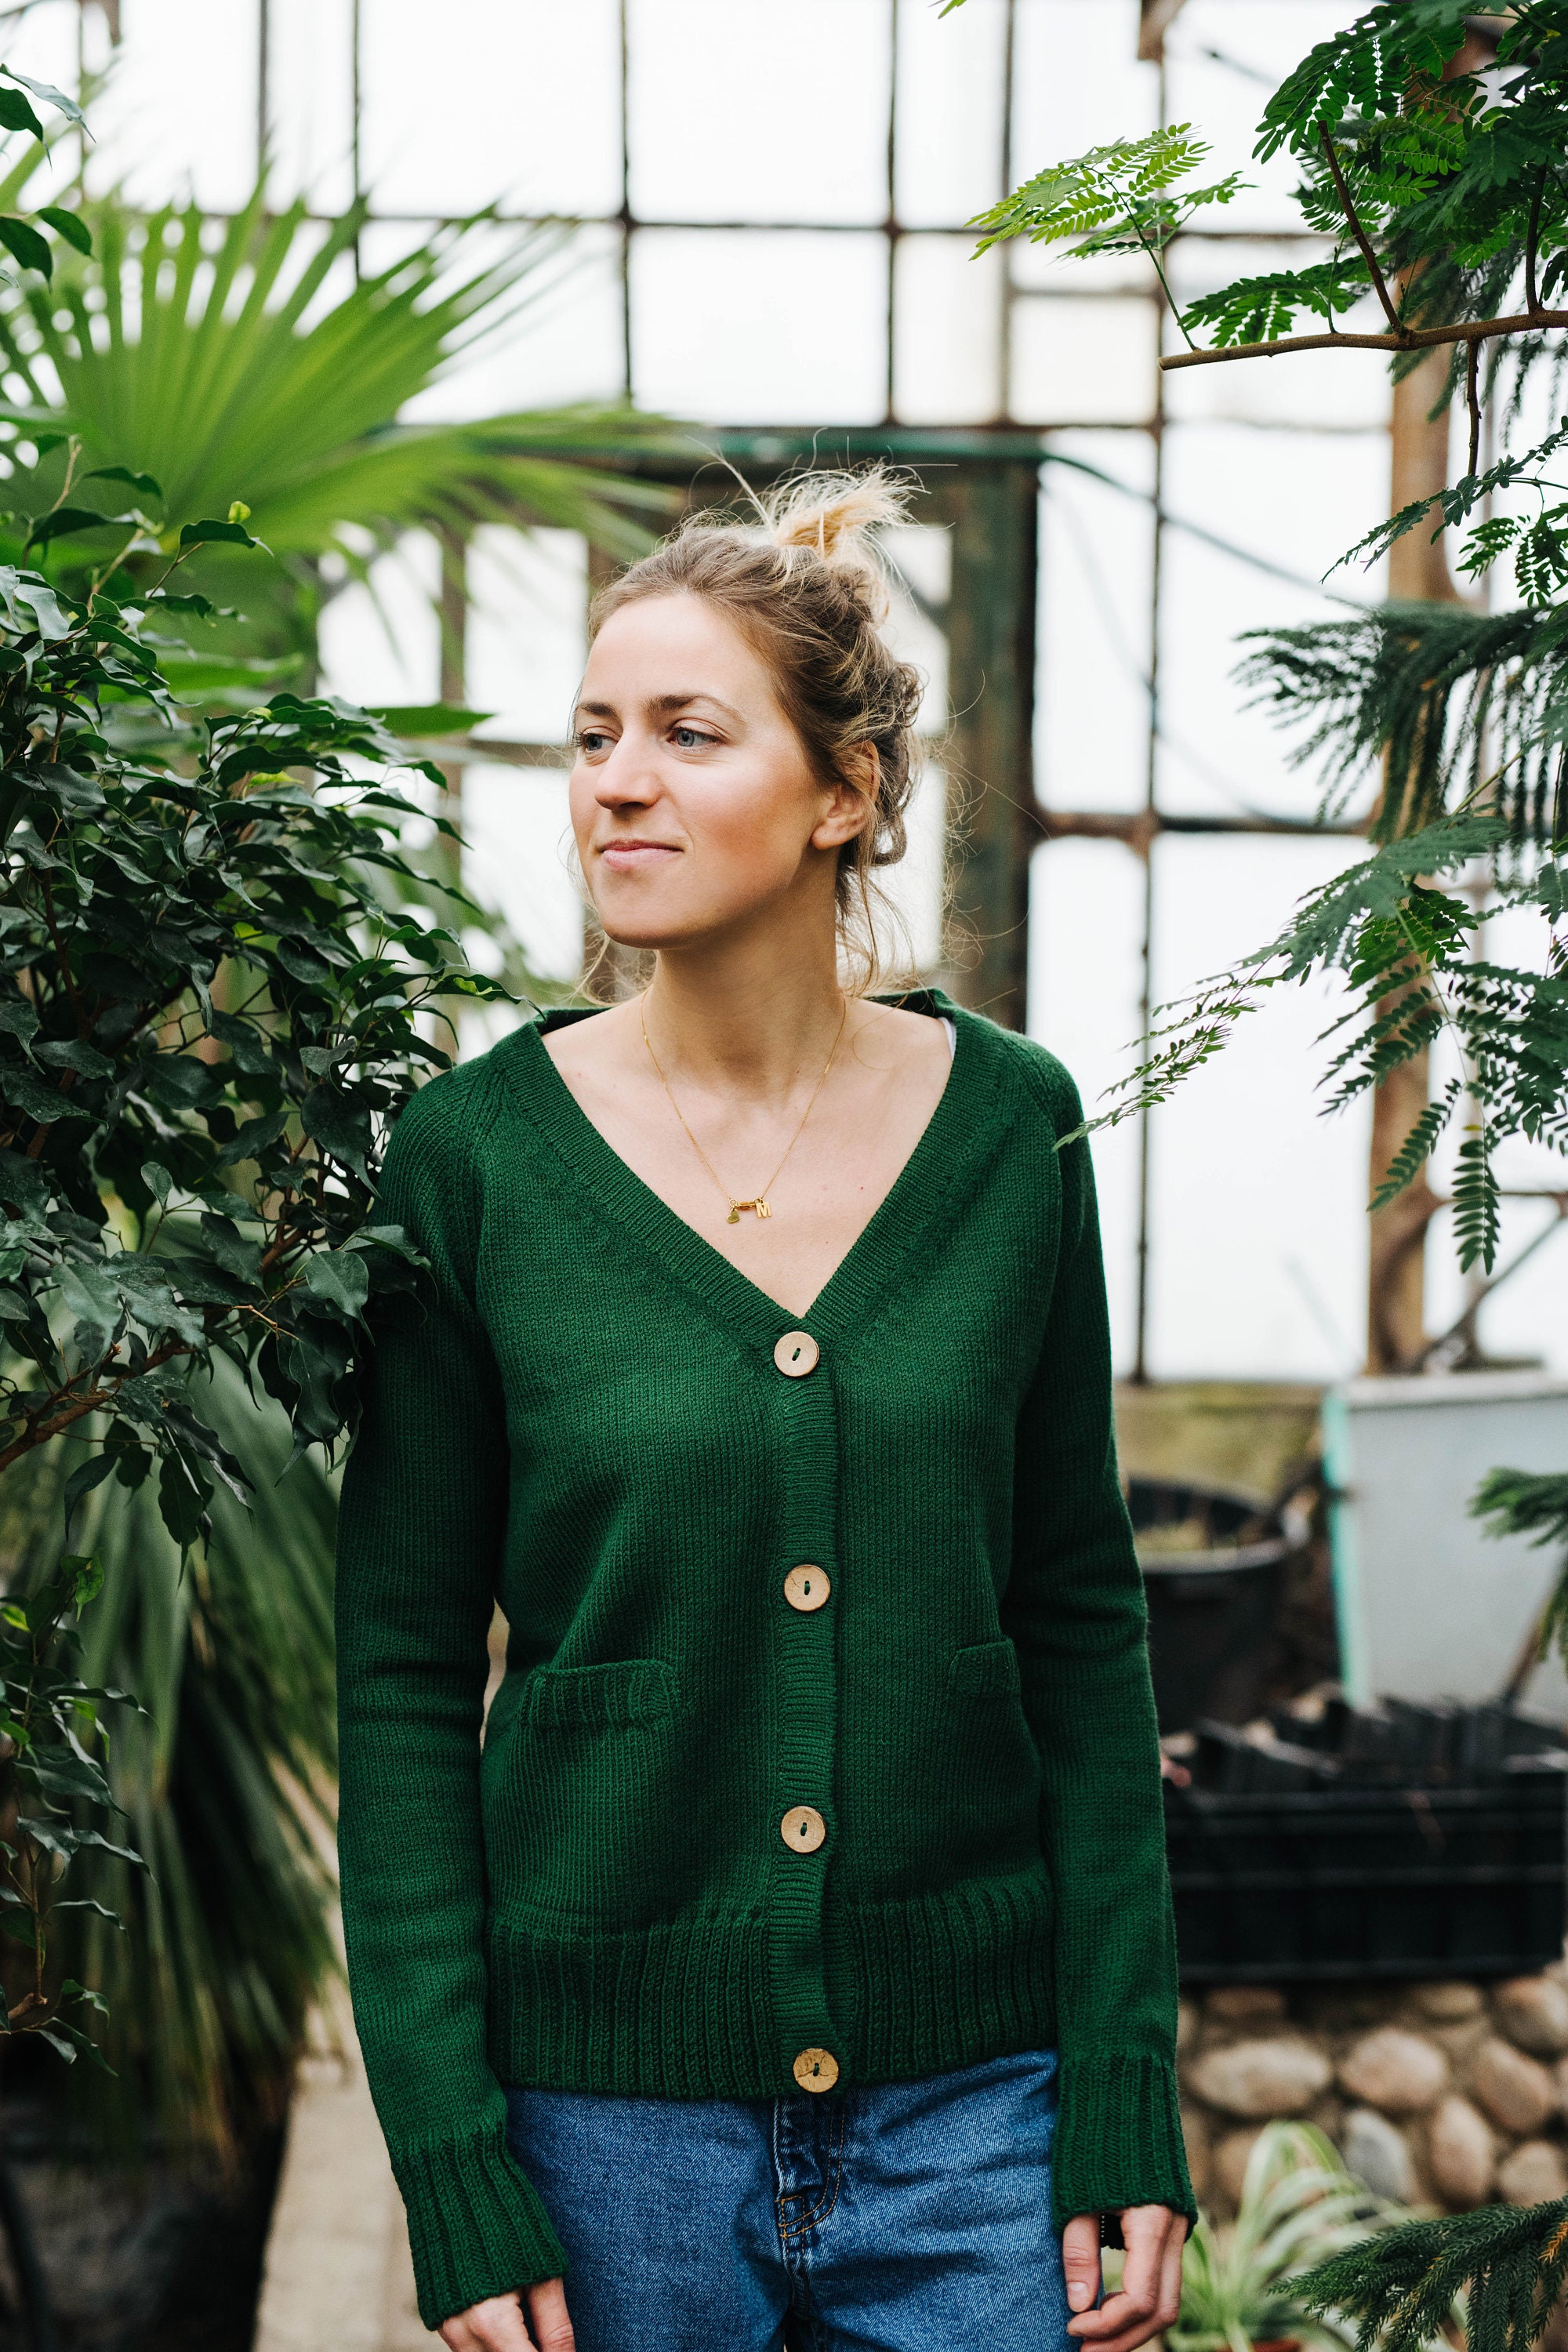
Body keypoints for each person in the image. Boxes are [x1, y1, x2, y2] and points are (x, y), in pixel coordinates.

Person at [334, 470, 1194, 2352]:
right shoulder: (471, 1162)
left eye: (685, 734)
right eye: (590, 737)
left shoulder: (1009, 1132)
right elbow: (401, 1669)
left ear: (844, 795)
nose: (613, 783)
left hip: (974, 2115)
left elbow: (1079, 1621)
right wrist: (451, 2156)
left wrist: (1123, 2082)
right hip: (603, 2138)